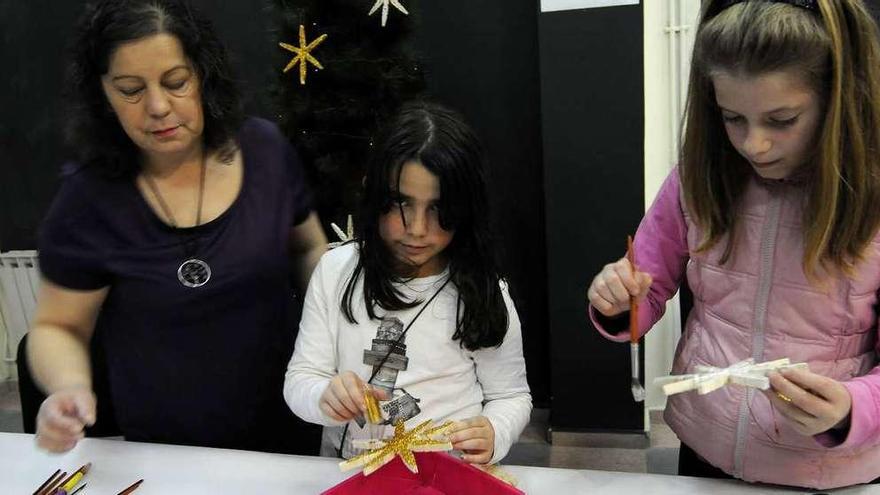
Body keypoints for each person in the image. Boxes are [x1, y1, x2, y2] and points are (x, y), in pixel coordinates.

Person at [587, 0, 880, 489]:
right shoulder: (696, 180)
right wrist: (617, 299)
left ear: (837, 100)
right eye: (732, 118)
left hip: (827, 465)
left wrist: (853, 407)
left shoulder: (870, 204)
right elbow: (645, 288)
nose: (753, 145)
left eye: (782, 120)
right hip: (707, 448)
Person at [28, 0, 327, 455]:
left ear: (203, 74)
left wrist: (340, 334)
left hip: (289, 435)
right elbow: (57, 326)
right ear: (102, 95)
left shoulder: (265, 150)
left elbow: (310, 252)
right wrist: (68, 388)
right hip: (168, 451)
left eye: (176, 82)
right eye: (130, 90)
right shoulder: (88, 200)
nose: (158, 107)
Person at [284, 101, 531, 465]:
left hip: (448, 477)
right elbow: (301, 378)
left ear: (464, 209)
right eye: (401, 203)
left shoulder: (483, 289)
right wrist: (323, 396)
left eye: (438, 208)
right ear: (376, 196)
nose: (417, 229)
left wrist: (495, 431)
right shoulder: (335, 270)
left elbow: (511, 395)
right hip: (351, 474)